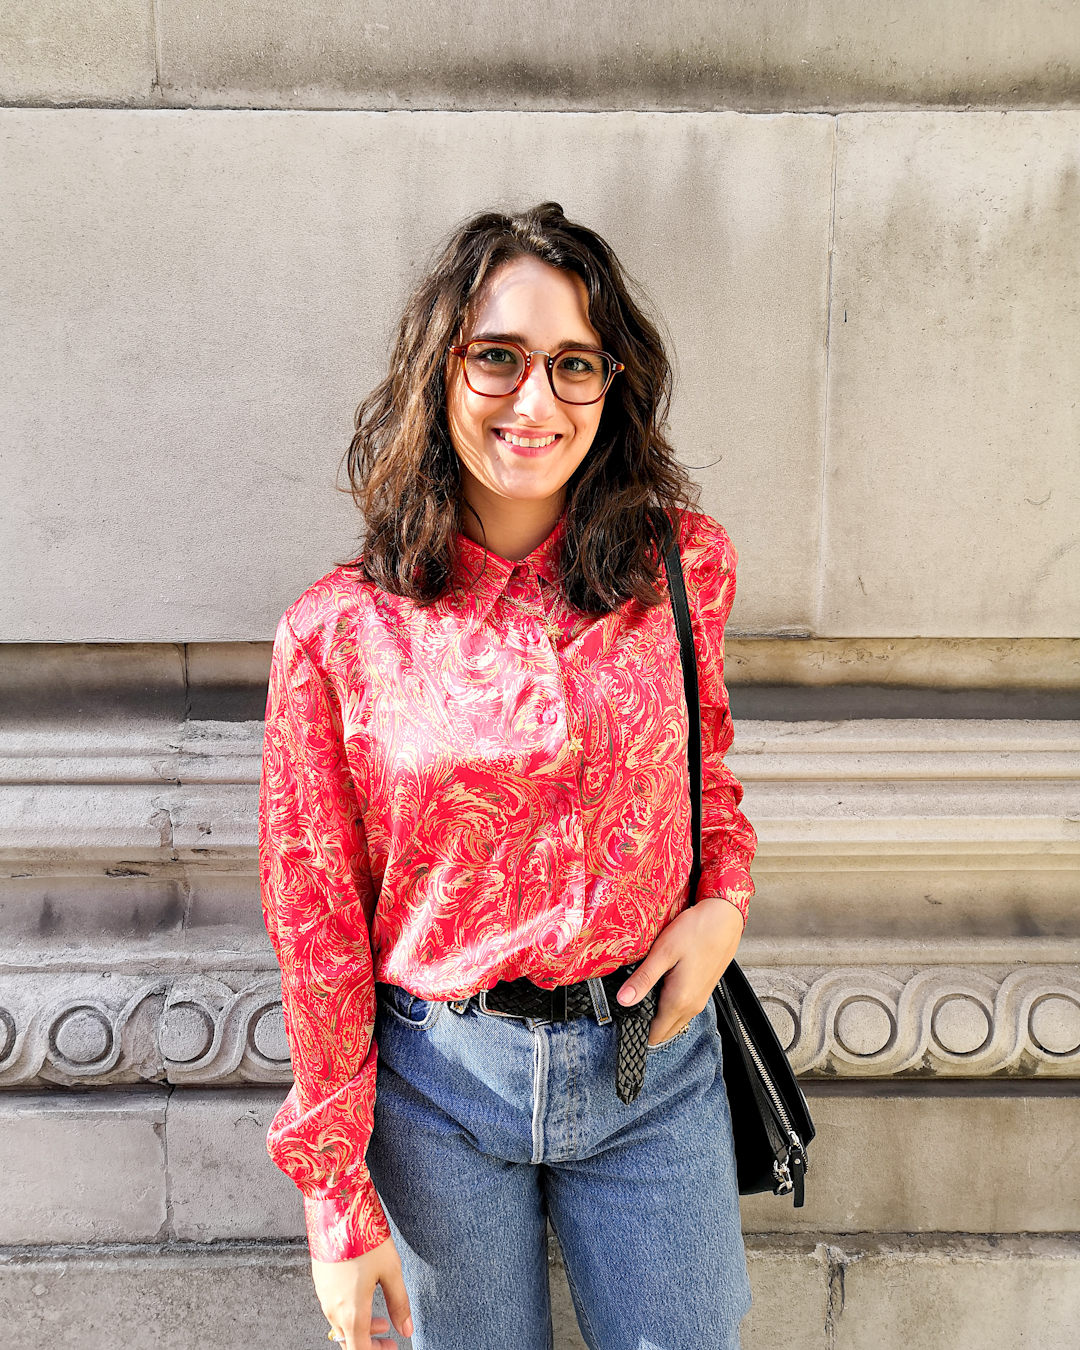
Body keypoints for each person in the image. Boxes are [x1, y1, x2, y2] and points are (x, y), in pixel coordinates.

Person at [259, 202, 757, 1350]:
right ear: (440, 372)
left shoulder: (684, 569)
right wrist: (336, 1195)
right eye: (499, 357)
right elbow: (314, 917)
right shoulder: (341, 633)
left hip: (651, 1069)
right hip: (438, 1092)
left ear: (612, 387)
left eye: (573, 365)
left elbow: (707, 766)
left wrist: (723, 902)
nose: (534, 402)